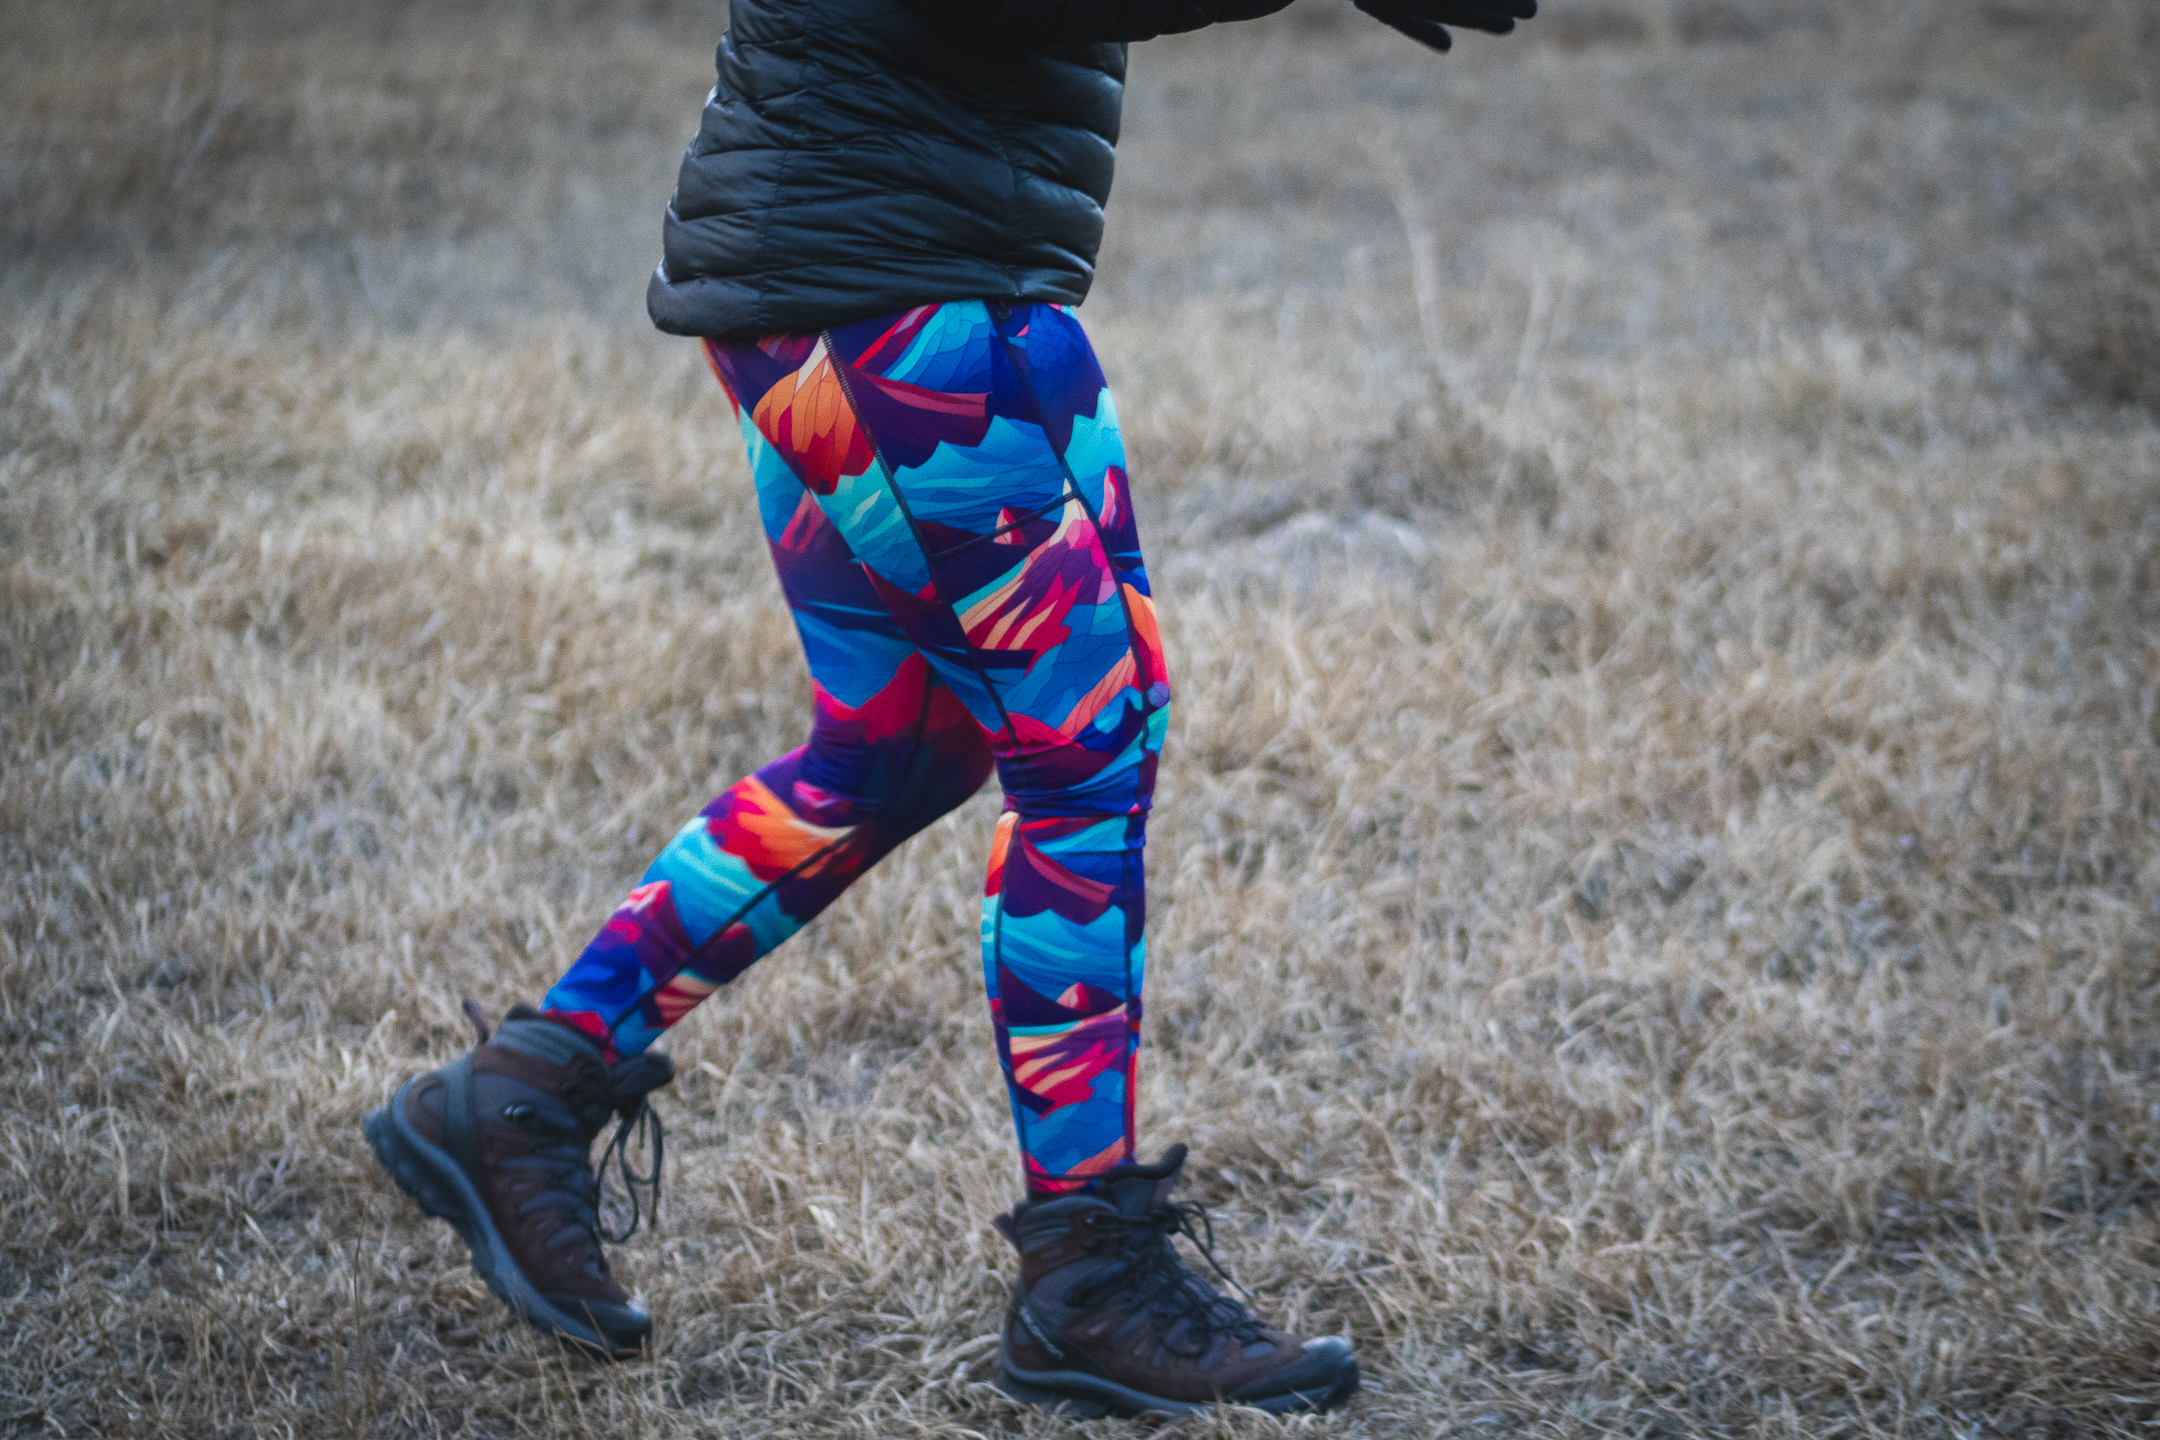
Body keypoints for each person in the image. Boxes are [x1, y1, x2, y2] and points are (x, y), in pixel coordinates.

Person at [363, 0, 1532, 1415]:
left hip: (890, 277)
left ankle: (529, 1084)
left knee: (898, 747)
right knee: (1086, 750)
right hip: (887, 296)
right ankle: (1085, 1279)